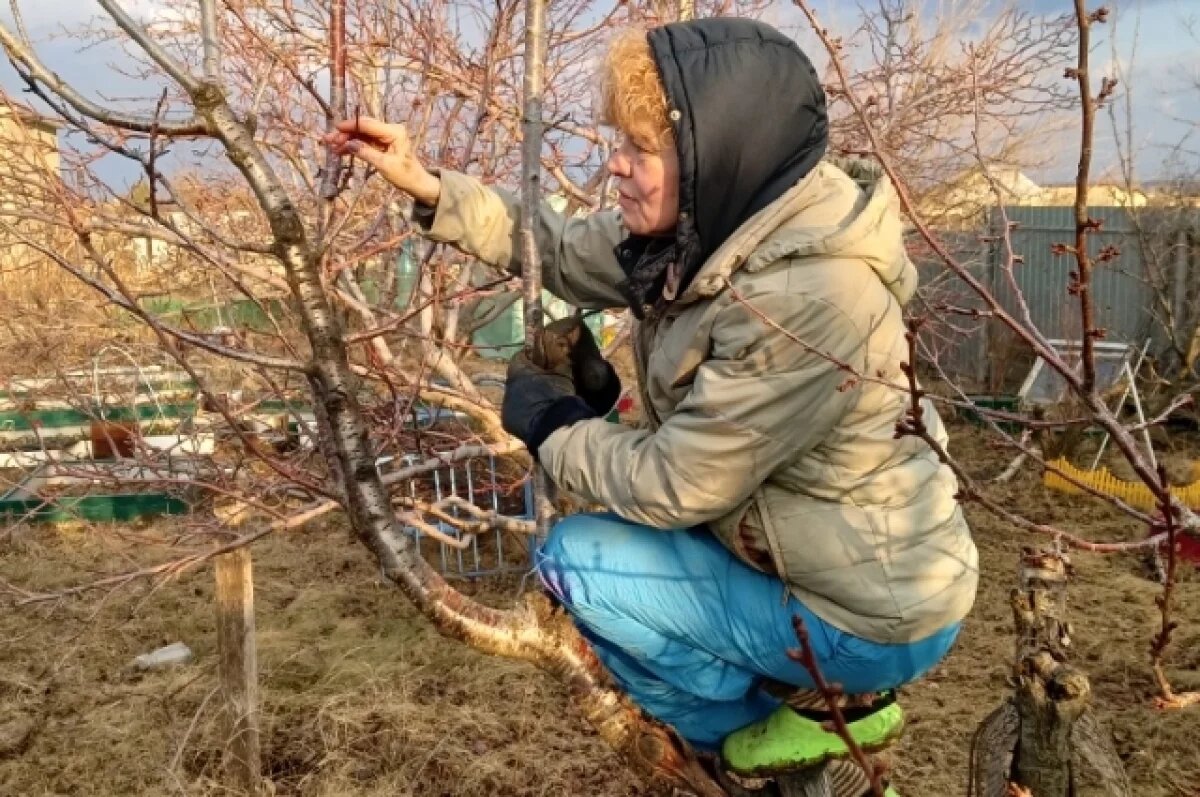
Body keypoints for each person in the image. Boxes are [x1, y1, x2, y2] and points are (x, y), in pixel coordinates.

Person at [328, 17, 978, 792]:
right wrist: (432, 188)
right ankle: (813, 718)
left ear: (716, 153)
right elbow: (564, 249)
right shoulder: (707, 231)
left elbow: (679, 484)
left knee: (576, 564)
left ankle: (753, 740)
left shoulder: (813, 295)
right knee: (605, 564)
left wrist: (555, 426)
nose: (616, 165)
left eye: (641, 147)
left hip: (870, 613)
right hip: (809, 560)